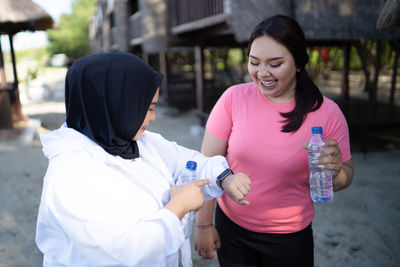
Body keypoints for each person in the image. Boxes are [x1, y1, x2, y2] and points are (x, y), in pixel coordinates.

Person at [35, 51, 251, 267]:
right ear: (116, 105)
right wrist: (177, 208)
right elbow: (121, 254)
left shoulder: (136, 141)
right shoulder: (72, 173)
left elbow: (188, 161)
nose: (153, 117)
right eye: (147, 108)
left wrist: (224, 177)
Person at [194, 15, 354, 267]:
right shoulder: (233, 99)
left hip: (290, 238)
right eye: (254, 62)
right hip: (232, 230)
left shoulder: (327, 112)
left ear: (299, 63)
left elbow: (346, 177)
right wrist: (204, 224)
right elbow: (207, 165)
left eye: (275, 64)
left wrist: (335, 170)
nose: (262, 73)